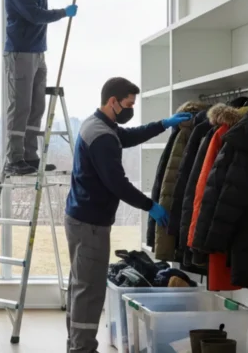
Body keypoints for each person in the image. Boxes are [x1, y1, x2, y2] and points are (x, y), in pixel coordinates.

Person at [63, 77, 192, 353]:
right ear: (113, 101)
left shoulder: (98, 124)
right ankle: (82, 349)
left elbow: (129, 135)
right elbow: (118, 184)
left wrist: (163, 124)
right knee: (90, 290)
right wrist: (151, 206)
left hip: (79, 217)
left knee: (80, 285)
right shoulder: (102, 137)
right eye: (129, 104)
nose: (131, 109)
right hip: (91, 224)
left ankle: (75, 345)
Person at [4, 0, 92, 175]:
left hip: (38, 52)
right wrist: (63, 13)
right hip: (20, 53)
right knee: (21, 107)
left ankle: (30, 156)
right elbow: (34, 15)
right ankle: (14, 159)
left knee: (37, 106)